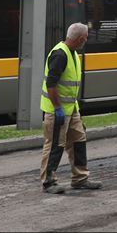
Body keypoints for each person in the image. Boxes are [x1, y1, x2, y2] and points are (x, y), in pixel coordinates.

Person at [39, 23, 102, 193]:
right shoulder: (60, 54)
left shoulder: (72, 53)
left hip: (71, 109)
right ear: (81, 39)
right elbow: (50, 84)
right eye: (86, 37)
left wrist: (75, 111)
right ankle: (48, 182)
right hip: (56, 110)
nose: (86, 40)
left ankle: (80, 178)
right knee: (54, 145)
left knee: (78, 140)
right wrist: (58, 108)